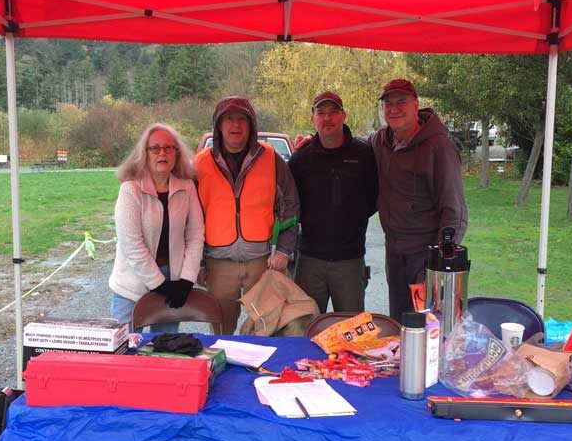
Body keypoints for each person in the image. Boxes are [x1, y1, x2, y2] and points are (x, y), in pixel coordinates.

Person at [194, 96, 299, 335]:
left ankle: (260, 372)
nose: (236, 125)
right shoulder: (200, 164)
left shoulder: (271, 158)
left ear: (251, 125)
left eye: (242, 119)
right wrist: (198, 262)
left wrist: (283, 250)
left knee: (266, 328)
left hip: (262, 261)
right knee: (221, 331)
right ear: (218, 125)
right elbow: (192, 218)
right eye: (228, 119)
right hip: (218, 264)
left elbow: (290, 206)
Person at [371, 78, 468, 323]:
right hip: (394, 252)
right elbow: (354, 145)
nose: (394, 109)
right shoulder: (381, 141)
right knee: (399, 323)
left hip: (425, 254)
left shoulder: (439, 147)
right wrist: (313, 140)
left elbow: (454, 213)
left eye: (401, 102)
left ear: (416, 105)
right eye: (388, 104)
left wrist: (438, 264)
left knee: (429, 326)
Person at [108, 123, 204, 331]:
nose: (163, 153)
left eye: (169, 148)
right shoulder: (130, 189)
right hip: (131, 285)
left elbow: (196, 235)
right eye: (155, 148)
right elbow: (131, 244)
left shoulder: (187, 187)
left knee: (165, 349)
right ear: (144, 154)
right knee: (124, 349)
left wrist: (187, 279)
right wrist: (159, 283)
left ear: (177, 154)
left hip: (174, 282)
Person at [288, 91, 378, 313]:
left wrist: (351, 218)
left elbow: (374, 198)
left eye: (333, 112)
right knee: (305, 328)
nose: (327, 118)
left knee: (352, 330)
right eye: (321, 113)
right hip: (309, 259)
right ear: (313, 119)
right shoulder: (301, 158)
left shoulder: (364, 154)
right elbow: (290, 202)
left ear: (343, 115)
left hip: (350, 260)